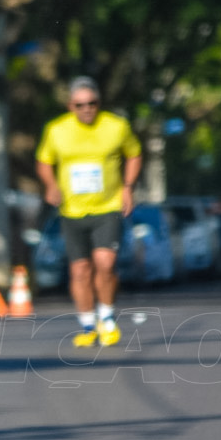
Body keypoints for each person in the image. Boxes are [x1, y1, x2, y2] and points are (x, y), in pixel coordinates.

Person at [36, 76, 143, 347]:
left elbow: (134, 154)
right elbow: (44, 161)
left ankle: (106, 317)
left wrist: (128, 187)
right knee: (81, 269)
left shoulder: (116, 126)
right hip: (72, 211)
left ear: (99, 103)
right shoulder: (56, 130)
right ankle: (87, 324)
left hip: (107, 207)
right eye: (80, 104)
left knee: (105, 263)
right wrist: (50, 185)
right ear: (70, 105)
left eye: (92, 103)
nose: (87, 109)